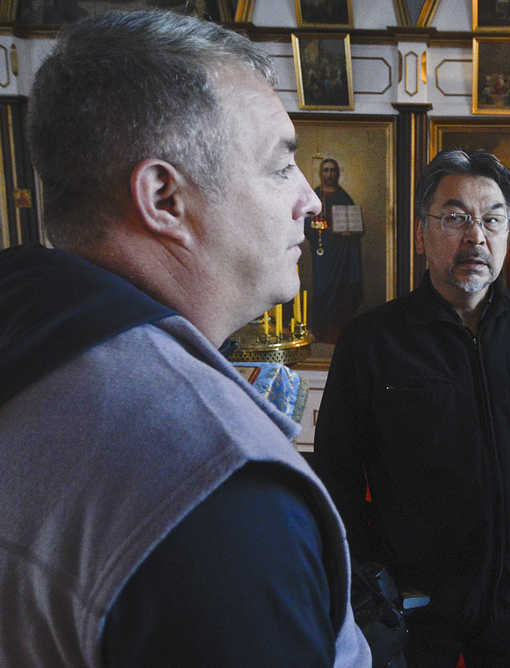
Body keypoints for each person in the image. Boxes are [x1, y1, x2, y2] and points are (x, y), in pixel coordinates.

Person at [0, 11, 370, 667]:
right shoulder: (222, 491)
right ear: (165, 198)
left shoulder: (27, 332)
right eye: (281, 165)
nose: (311, 201)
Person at [313, 149, 510, 667]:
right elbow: (337, 470)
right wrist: (367, 572)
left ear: (508, 232)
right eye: (454, 218)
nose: (475, 237)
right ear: (421, 235)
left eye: (492, 219)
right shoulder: (373, 341)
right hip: (414, 599)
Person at [305, 156, 363, 343]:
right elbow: (307, 224)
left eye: (332, 170)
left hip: (343, 255)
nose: (329, 174)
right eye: (326, 170)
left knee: (342, 292)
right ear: (321, 173)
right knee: (323, 291)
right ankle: (321, 332)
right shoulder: (314, 196)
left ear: (337, 173)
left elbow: (356, 226)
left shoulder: (344, 197)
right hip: (323, 254)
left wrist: (350, 234)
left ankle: (339, 334)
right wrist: (328, 231)